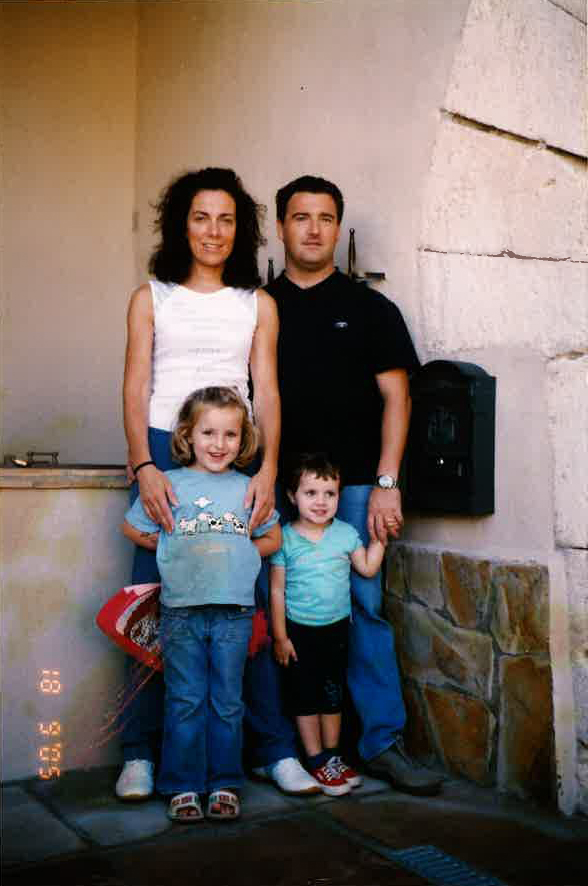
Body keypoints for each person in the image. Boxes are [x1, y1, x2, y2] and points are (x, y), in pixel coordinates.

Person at [116, 167, 315, 801]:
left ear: (241, 229)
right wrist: (143, 465)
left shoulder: (257, 304)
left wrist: (269, 469)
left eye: (226, 219)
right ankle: (140, 753)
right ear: (182, 224)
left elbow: (268, 391)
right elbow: (135, 385)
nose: (213, 230)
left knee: (245, 601)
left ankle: (273, 749)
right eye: (201, 217)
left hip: (238, 454)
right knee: (153, 597)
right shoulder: (151, 297)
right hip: (162, 453)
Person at [255, 175, 442, 795]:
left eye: (325, 218)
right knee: (271, 612)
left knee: (363, 610)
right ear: (280, 227)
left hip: (356, 488)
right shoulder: (258, 307)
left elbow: (397, 399)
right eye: (300, 217)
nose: (313, 229)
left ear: (339, 227)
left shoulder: (370, 309)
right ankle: (278, 748)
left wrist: (387, 482)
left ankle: (381, 743)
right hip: (274, 489)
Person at [122, 387, 281, 821]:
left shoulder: (248, 487)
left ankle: (224, 783)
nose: (219, 443)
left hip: (234, 613)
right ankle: (183, 785)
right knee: (185, 699)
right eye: (208, 433)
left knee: (227, 701)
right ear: (187, 435)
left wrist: (239, 550)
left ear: (243, 439)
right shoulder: (170, 483)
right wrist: (171, 547)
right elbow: (131, 527)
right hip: (181, 612)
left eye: (230, 434)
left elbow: (273, 537)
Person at [270, 453, 385, 796]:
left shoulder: (346, 534)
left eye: (330, 494)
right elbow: (276, 591)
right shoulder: (284, 538)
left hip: (336, 631)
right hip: (299, 632)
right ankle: (315, 758)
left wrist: (380, 538)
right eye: (311, 493)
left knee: (332, 695)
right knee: (305, 698)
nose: (321, 502)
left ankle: (333, 756)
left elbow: (367, 568)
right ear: (292, 496)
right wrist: (280, 637)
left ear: (339, 496)